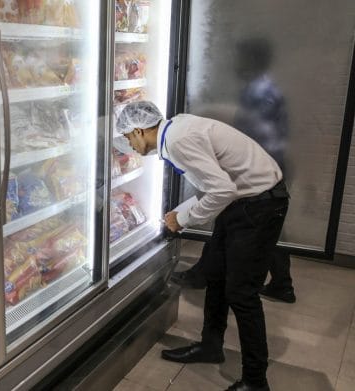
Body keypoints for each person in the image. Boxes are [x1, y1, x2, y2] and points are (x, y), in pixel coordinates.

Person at [118, 101, 289, 391]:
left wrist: (182, 219)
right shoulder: (175, 130)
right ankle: (211, 346)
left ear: (139, 130)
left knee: (242, 293)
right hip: (243, 201)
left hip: (259, 205)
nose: (129, 145)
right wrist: (180, 213)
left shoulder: (178, 140)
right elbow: (219, 187)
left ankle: (256, 382)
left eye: (127, 138)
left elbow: (223, 189)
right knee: (217, 277)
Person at [171, 37, 295, 304]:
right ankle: (280, 283)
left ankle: (207, 274)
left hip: (259, 171)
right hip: (266, 168)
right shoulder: (263, 89)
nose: (235, 63)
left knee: (245, 226)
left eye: (240, 57)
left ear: (252, 60)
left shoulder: (259, 93)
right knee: (256, 228)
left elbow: (255, 134)